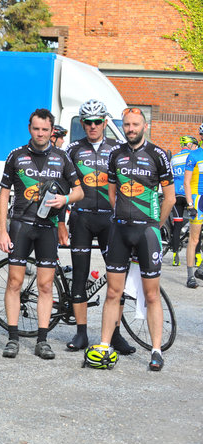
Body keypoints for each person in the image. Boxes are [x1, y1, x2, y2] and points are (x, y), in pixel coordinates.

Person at [0, 108, 83, 360]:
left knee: (45, 285)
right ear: (29, 128)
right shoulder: (16, 155)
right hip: (21, 225)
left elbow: (79, 192)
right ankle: (13, 338)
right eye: (36, 128)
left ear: (51, 130)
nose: (40, 133)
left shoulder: (62, 157)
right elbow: (4, 194)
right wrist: (2, 230)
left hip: (47, 228)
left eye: (45, 129)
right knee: (15, 282)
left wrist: (64, 199)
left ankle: (42, 340)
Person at [99, 107, 174, 371]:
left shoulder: (158, 155)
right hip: (119, 230)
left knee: (151, 295)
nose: (131, 129)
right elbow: (111, 193)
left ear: (144, 125)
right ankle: (104, 346)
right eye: (127, 125)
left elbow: (171, 197)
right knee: (113, 292)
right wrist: (122, 216)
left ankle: (156, 351)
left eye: (135, 124)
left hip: (147, 232)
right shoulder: (115, 155)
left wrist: (155, 225)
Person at [59, 99, 135, 354]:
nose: (92, 126)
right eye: (88, 122)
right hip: (81, 218)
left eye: (97, 121)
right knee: (79, 277)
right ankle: (81, 333)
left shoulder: (118, 148)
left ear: (105, 122)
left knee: (117, 281)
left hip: (110, 221)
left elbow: (130, 184)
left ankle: (114, 334)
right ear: (82, 123)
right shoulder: (72, 149)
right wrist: (60, 221)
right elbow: (61, 187)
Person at [170, 135, 197, 273]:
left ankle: (175, 256)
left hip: (176, 195)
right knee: (195, 226)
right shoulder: (193, 156)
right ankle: (197, 257)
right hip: (189, 194)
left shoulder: (174, 158)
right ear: (191, 145)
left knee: (177, 225)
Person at [184, 125, 203, 287]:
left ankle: (201, 270)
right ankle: (190, 275)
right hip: (198, 199)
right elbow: (187, 182)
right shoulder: (194, 155)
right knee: (194, 239)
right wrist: (190, 204)